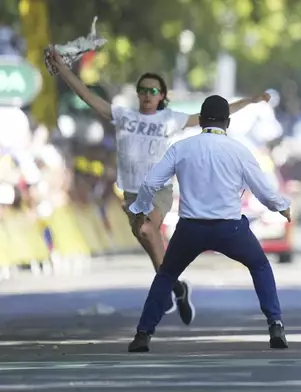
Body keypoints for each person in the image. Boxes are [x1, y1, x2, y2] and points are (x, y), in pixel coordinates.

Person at [47, 51, 269, 326]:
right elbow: (86, 96)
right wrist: (62, 69)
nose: (147, 95)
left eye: (153, 90)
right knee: (153, 249)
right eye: (142, 90)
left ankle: (166, 291)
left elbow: (211, 115)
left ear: (162, 95)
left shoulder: (169, 120)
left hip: (158, 190)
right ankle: (176, 289)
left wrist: (250, 100)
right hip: (130, 194)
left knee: (148, 230)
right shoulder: (124, 116)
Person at [127, 95, 291, 352]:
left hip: (191, 229)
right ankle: (276, 324)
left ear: (201, 120)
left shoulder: (182, 148)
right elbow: (263, 189)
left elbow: (150, 183)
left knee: (167, 275)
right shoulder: (239, 151)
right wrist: (282, 207)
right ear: (228, 122)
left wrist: (139, 209)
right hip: (230, 229)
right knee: (259, 265)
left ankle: (143, 334)